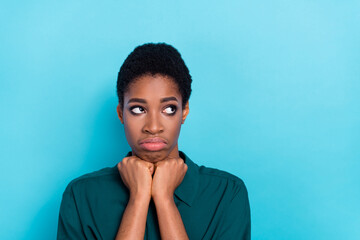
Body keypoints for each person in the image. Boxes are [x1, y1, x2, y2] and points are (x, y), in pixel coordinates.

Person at [57, 43, 251, 239]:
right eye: (138, 109)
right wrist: (138, 200)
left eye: (168, 109)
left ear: (184, 112)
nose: (153, 126)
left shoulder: (228, 194)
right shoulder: (81, 196)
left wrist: (164, 199)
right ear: (120, 113)